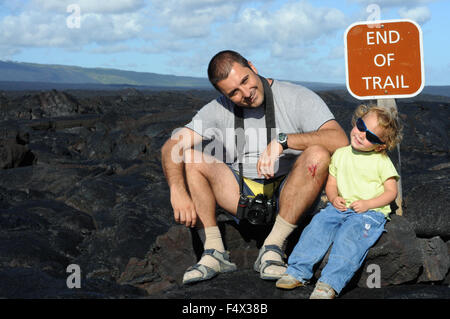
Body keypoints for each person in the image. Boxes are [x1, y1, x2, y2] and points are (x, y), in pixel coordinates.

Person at [160, 50, 348, 284]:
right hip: (240, 193)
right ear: (223, 94)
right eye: (234, 93)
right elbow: (171, 146)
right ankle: (214, 251)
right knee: (191, 157)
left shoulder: (297, 96)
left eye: (245, 80)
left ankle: (273, 246)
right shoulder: (218, 109)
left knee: (318, 154)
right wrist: (177, 190)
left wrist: (284, 141)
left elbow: (340, 140)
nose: (246, 94)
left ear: (252, 67)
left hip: (288, 192)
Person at [275, 104, 403, 298]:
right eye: (361, 126)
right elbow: (332, 183)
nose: (361, 135)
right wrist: (334, 198)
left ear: (381, 145)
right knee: (317, 225)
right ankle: (297, 271)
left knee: (350, 238)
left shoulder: (381, 161)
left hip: (370, 212)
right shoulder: (342, 154)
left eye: (371, 136)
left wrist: (369, 204)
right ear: (356, 120)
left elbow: (390, 193)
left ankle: (329, 283)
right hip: (341, 207)